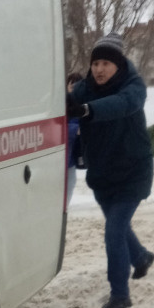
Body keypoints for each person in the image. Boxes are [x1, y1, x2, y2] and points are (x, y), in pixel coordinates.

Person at [67, 33, 154, 308]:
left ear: (118, 64)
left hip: (132, 173)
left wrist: (85, 110)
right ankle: (141, 257)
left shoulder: (133, 86)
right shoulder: (86, 87)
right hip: (103, 174)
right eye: (95, 63)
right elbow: (64, 101)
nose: (99, 69)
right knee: (118, 227)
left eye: (106, 63)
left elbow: (123, 104)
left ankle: (120, 294)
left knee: (114, 231)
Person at [65, 72, 84, 207]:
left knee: (67, 197)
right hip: (57, 161)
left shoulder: (83, 105)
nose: (74, 90)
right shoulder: (60, 104)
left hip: (70, 162)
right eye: (72, 85)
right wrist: (74, 130)